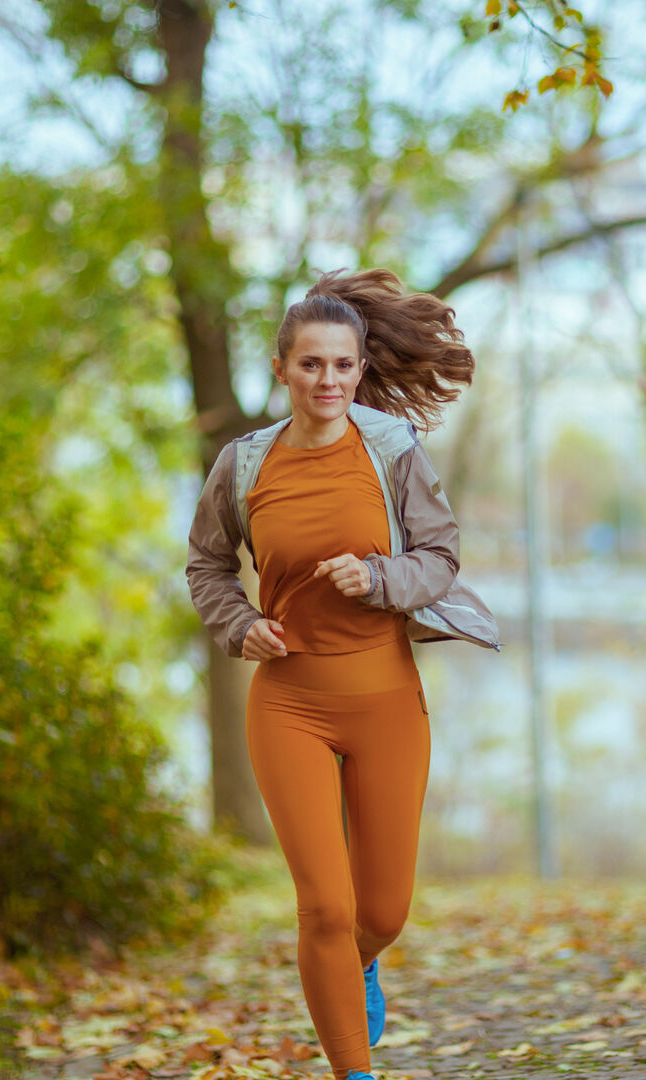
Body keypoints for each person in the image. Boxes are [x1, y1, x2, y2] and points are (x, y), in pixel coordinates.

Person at [186, 268, 501, 1080]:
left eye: (341, 365)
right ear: (282, 369)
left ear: (360, 370)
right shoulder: (244, 465)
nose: (327, 380)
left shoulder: (392, 451)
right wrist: (240, 625)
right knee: (325, 907)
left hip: (385, 699)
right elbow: (207, 565)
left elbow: (440, 556)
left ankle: (359, 962)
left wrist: (379, 577)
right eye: (310, 364)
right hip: (288, 704)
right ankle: (353, 1071)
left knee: (381, 912)